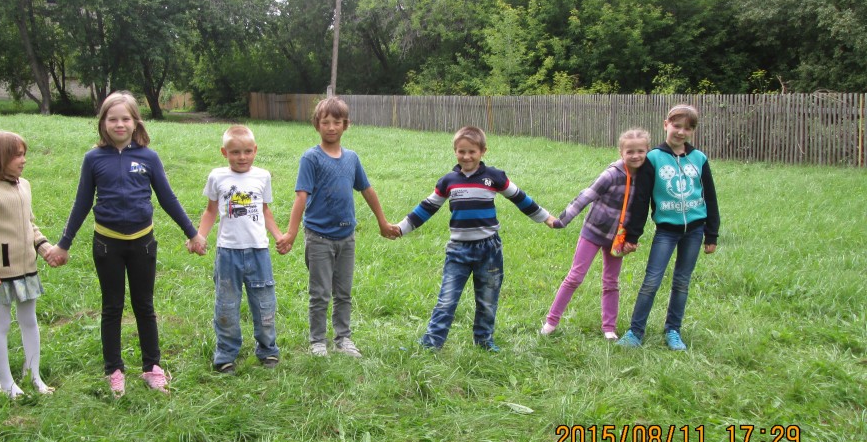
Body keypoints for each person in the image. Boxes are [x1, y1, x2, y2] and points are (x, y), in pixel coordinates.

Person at [46, 91, 203, 395]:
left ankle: (152, 367)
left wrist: (192, 233)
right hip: (107, 246)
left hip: (143, 244)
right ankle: (114, 370)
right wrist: (63, 244)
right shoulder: (93, 159)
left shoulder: (148, 157)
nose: (119, 124)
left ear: (135, 122)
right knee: (112, 307)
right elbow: (81, 203)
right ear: (103, 123)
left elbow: (167, 198)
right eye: (112, 119)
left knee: (144, 306)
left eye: (125, 119)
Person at [393, 125, 557, 352]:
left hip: (489, 250)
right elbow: (427, 207)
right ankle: (431, 343)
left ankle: (484, 341)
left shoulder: (494, 177)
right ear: (455, 151)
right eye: (461, 151)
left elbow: (520, 198)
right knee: (446, 300)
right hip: (458, 250)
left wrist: (546, 218)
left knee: (487, 300)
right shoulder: (448, 181)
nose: (466, 156)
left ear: (482, 152)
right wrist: (401, 229)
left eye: (472, 151)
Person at [276, 96, 396, 358]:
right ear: (316, 125)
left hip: (346, 237)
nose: (331, 127)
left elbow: (367, 189)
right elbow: (301, 197)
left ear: (346, 125)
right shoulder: (311, 158)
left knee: (343, 293)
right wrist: (291, 233)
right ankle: (317, 341)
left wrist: (382, 221)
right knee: (320, 293)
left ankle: (343, 339)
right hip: (319, 237)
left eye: (337, 122)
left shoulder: (352, 158)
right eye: (325, 122)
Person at [617, 104, 720, 351]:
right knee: (651, 281)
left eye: (688, 128)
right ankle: (635, 332)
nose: (681, 132)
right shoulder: (653, 158)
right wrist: (632, 234)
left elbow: (710, 197)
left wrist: (711, 233)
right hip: (666, 231)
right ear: (666, 125)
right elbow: (641, 199)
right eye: (677, 126)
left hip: (694, 231)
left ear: (693, 131)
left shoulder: (699, 159)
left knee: (682, 282)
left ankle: (673, 330)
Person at [540, 129, 651, 341]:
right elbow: (587, 195)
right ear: (621, 152)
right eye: (630, 151)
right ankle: (551, 322)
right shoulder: (612, 175)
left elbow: (642, 209)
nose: (635, 156)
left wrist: (632, 238)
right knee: (575, 277)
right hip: (593, 231)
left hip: (617, 238)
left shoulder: (645, 177)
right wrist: (562, 220)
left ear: (647, 151)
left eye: (640, 151)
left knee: (611, 282)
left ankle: (609, 328)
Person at [0, 131, 54, 398]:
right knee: (1, 325)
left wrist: (45, 248)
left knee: (29, 321)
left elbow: (29, 224)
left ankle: (33, 375)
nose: (23, 160)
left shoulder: (24, 186)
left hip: (27, 269)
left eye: (23, 154)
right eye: (17, 155)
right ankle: (6, 384)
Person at [192, 126, 283, 375]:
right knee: (226, 305)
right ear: (224, 152)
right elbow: (210, 211)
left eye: (247, 151)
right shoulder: (217, 177)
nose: (242, 157)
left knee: (264, 303)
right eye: (235, 152)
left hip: (258, 252)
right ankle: (226, 354)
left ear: (255, 150)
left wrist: (279, 236)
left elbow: (265, 210)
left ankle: (268, 350)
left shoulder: (262, 176)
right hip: (228, 253)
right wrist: (200, 236)